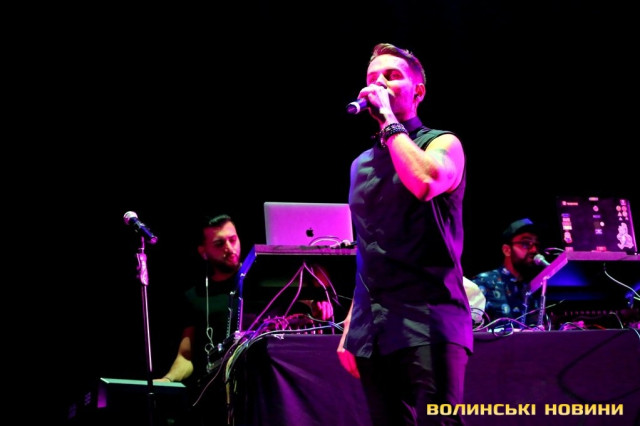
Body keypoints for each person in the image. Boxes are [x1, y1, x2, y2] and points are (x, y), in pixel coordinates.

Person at [336, 42, 473, 426]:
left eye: (392, 76)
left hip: (428, 319)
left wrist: (388, 121)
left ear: (418, 91)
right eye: (372, 78)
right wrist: (351, 326)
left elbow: (426, 181)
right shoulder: (361, 164)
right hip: (375, 328)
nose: (378, 83)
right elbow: (369, 248)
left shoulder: (442, 143)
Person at [156, 214, 334, 425]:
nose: (229, 248)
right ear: (203, 252)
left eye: (233, 239)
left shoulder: (266, 281)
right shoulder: (195, 296)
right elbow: (186, 357)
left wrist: (318, 308)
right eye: (219, 244)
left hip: (269, 393)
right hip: (217, 400)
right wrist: (167, 379)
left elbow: (311, 295)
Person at [470, 218, 545, 327]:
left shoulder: (534, 288)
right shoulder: (484, 282)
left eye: (536, 244)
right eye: (525, 243)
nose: (534, 250)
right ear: (507, 250)